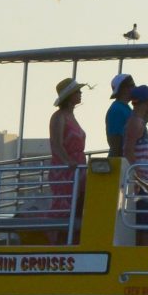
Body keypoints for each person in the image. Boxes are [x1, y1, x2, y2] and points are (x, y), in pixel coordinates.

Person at [47, 78, 86, 227]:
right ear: (70, 96)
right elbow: (56, 144)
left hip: (77, 167)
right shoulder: (58, 117)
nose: (80, 93)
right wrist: (67, 162)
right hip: (66, 170)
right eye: (77, 91)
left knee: (78, 206)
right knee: (64, 208)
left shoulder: (71, 116)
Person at [121, 85, 148, 164]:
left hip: (140, 174)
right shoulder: (135, 122)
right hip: (137, 174)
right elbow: (128, 150)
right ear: (146, 102)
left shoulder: (137, 121)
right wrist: (137, 173)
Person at [102, 72, 137, 154]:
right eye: (132, 85)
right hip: (121, 161)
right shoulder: (116, 110)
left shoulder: (124, 108)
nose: (135, 87)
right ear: (123, 89)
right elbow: (115, 139)